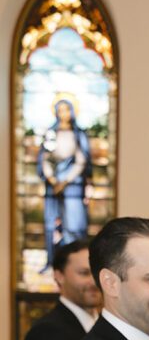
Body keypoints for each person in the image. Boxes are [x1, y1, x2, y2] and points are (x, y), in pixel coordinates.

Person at [37, 99, 91, 270]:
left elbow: (82, 160)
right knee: (51, 225)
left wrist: (66, 180)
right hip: (53, 186)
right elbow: (45, 159)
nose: (63, 114)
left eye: (66, 110)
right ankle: (52, 263)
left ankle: (75, 265)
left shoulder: (78, 134)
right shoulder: (51, 133)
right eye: (60, 110)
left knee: (73, 225)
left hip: (73, 185)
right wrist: (53, 179)